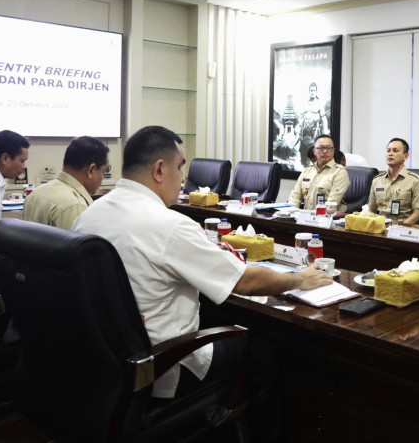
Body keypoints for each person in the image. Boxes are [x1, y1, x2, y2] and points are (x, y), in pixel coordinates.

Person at [72, 126, 331, 402]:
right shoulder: (170, 225)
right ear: (159, 170)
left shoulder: (89, 215)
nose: (183, 179)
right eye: (180, 167)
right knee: (266, 351)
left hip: (108, 363)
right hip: (164, 365)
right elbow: (245, 281)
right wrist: (300, 279)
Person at [23, 136, 109, 230]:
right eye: (103, 172)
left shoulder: (36, 193)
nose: (102, 178)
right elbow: (79, 244)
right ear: (91, 170)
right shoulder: (74, 206)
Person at [367, 138, 419, 226]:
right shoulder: (377, 180)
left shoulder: (415, 181)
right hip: (379, 228)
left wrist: (398, 229)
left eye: (395, 151)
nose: (390, 154)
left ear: (405, 156)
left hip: (403, 230)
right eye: (388, 151)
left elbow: (418, 214)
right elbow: (371, 210)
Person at [288, 134, 350, 211]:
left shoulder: (339, 172)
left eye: (329, 148)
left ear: (333, 151)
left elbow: (331, 204)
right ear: (314, 151)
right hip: (305, 218)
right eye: (321, 148)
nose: (325, 151)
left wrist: (313, 218)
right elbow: (295, 197)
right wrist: (290, 214)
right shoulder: (307, 171)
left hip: (328, 219)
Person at [299, 82, 329, 168]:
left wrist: (325, 132)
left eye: (314, 90)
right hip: (304, 132)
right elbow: (301, 118)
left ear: (316, 92)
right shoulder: (305, 103)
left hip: (315, 132)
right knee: (303, 155)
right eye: (311, 90)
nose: (312, 92)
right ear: (309, 91)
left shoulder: (319, 103)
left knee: (314, 154)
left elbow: (323, 118)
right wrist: (298, 131)